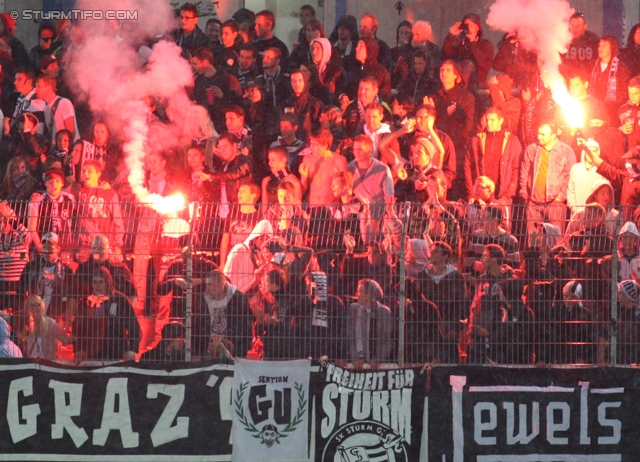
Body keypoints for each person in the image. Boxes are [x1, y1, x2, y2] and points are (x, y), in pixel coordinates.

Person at [72, 266, 140, 362]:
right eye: (94, 282)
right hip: (91, 353)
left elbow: (134, 326)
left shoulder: (120, 300)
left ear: (107, 282)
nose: (97, 286)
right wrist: (79, 349)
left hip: (116, 352)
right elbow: (77, 327)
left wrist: (132, 349)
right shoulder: (86, 301)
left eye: (101, 282)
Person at [519, 121, 576, 233]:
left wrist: (560, 198)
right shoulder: (532, 149)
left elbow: (569, 175)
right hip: (533, 203)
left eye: (543, 134)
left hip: (555, 203)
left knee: (554, 239)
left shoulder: (566, 151)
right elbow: (524, 171)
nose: (538, 136)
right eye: (538, 133)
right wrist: (525, 192)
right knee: (534, 240)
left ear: (553, 135)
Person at [418, 241, 468, 363]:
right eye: (432, 251)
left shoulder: (455, 277)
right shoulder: (422, 276)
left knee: (449, 366)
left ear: (445, 256)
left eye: (436, 252)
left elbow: (462, 305)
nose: (432, 254)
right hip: (427, 330)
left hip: (448, 329)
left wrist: (455, 329)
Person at [467, 244, 515, 364]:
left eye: (484, 257)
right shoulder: (482, 279)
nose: (481, 260)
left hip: (501, 337)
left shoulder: (510, 279)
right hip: (481, 334)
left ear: (494, 259)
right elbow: (475, 306)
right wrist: (471, 331)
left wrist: (493, 332)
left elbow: (513, 309)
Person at [464, 106, 522, 204]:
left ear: (501, 121)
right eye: (487, 119)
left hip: (502, 197)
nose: (489, 123)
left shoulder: (512, 141)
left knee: (501, 219)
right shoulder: (477, 140)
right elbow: (467, 166)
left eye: (492, 120)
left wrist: (508, 194)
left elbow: (516, 168)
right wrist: (471, 194)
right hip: (481, 197)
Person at [70, 160, 125, 262]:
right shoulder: (78, 191)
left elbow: (118, 221)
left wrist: (117, 244)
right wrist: (37, 194)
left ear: (98, 174)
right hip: (85, 246)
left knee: (102, 275)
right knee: (86, 275)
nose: (85, 174)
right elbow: (58, 192)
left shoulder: (109, 193)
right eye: (84, 171)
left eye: (89, 171)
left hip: (104, 246)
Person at [191, 47, 242, 134]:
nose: (192, 66)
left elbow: (239, 104)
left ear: (206, 62)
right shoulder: (196, 81)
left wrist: (223, 96)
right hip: (203, 129)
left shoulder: (228, 79)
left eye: (195, 63)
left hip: (224, 129)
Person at [346, 278, 394, 366]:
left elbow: (389, 340)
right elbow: (350, 336)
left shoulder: (384, 312)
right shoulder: (353, 309)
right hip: (358, 362)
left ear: (369, 294)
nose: (357, 294)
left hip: (375, 363)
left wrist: (378, 360)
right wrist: (355, 358)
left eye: (360, 292)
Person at [27, 168, 76, 253]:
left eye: (57, 181)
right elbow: (31, 228)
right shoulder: (38, 200)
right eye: (50, 181)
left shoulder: (70, 198)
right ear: (45, 183)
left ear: (62, 183)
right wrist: (39, 246)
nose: (54, 184)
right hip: (46, 246)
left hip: (65, 247)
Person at [442, 13, 494, 89]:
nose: (469, 29)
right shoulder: (459, 43)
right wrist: (451, 36)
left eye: (472, 26)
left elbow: (485, 65)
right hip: (458, 87)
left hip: (477, 87)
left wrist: (473, 43)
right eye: (466, 26)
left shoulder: (485, 44)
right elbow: (446, 57)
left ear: (478, 28)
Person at [347, 134, 393, 221]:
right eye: (354, 149)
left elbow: (389, 197)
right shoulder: (349, 169)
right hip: (356, 221)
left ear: (370, 150)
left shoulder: (383, 170)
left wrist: (389, 218)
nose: (356, 152)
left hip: (377, 220)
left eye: (360, 149)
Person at [299, 129, 347, 206]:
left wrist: (337, 178)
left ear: (325, 145)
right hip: (312, 208)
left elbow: (345, 189)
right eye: (311, 144)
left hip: (330, 209)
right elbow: (303, 190)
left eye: (315, 145)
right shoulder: (307, 159)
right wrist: (304, 177)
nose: (311, 147)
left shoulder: (339, 160)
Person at [590, 36, 630, 122]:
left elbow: (623, 93)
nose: (600, 48)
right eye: (599, 45)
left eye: (604, 45)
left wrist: (610, 107)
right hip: (594, 109)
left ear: (612, 48)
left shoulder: (621, 68)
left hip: (613, 113)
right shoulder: (593, 65)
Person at [280, 69, 323, 142]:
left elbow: (320, 128)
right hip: (289, 144)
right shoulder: (285, 103)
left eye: (300, 80)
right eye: (294, 81)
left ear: (305, 82)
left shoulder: (315, 103)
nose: (297, 84)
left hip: (307, 145)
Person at [36, 74, 79, 143]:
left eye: (39, 87)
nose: (36, 90)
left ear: (49, 88)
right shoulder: (46, 109)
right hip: (55, 151)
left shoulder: (64, 103)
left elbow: (70, 131)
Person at [618, 76, 640, 151]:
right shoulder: (622, 109)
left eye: (635, 94)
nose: (631, 97)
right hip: (628, 155)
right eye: (629, 93)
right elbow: (613, 130)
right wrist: (622, 129)